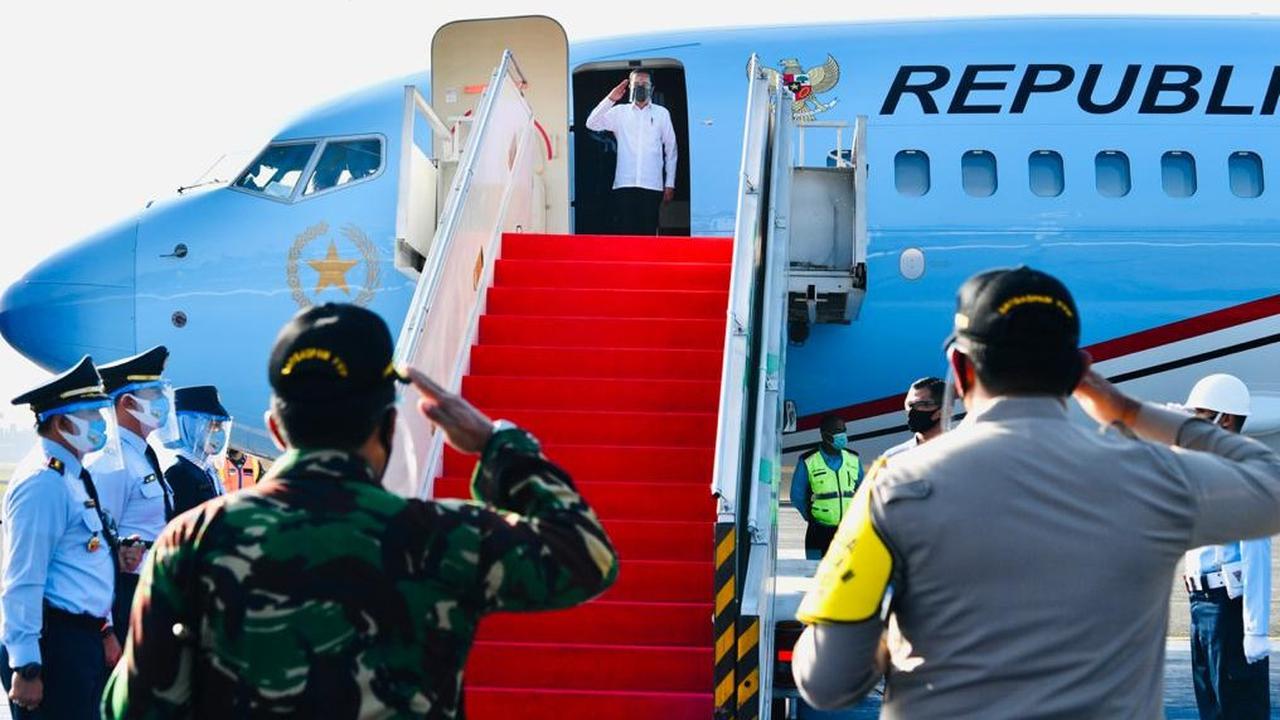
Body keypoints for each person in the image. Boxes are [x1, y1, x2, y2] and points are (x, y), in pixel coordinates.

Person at [791, 266, 1280, 717]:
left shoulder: (893, 488)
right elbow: (1270, 484)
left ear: (959, 372)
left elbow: (827, 682)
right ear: (1077, 373)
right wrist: (1131, 412)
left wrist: (895, 636)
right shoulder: (1148, 478)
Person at [103, 303, 619, 718]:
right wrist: (498, 444)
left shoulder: (192, 541)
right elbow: (585, 555)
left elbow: (135, 707)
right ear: (389, 429)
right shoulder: (440, 537)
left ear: (277, 430)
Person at [0, 357, 123, 718]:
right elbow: (23, 578)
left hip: (79, 640)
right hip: (52, 645)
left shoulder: (72, 476)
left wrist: (104, 630)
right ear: (60, 422)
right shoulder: (44, 483)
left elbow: (82, 569)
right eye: (90, 415)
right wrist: (26, 667)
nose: (100, 424)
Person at [1179, 373, 1271, 719]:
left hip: (1228, 610)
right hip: (1201, 607)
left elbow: (1256, 554)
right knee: (1213, 709)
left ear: (1226, 419)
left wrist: (1256, 630)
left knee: (1238, 708)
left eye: (1201, 415)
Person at [89, 345, 175, 644]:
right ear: (126, 402)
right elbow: (95, 547)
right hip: (123, 595)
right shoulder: (112, 463)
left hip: (149, 589)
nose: (163, 402)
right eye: (154, 395)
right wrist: (105, 629)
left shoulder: (142, 454)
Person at [584, 69, 678, 236]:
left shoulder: (662, 114)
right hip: (624, 184)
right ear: (630, 87)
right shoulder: (619, 112)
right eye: (636, 84)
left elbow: (671, 149)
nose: (640, 87)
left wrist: (669, 183)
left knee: (649, 231)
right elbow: (591, 123)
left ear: (652, 88)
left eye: (644, 84)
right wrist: (610, 99)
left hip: (652, 184)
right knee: (626, 232)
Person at [790, 414, 861, 560]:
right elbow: (797, 496)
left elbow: (864, 492)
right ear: (825, 435)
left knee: (848, 577)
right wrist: (811, 517)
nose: (842, 435)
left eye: (843, 430)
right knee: (816, 575)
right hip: (818, 532)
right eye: (836, 431)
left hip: (848, 532)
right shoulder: (808, 460)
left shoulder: (853, 459)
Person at [163, 386, 231, 516]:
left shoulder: (207, 469)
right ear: (189, 425)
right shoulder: (178, 473)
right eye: (212, 425)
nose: (220, 433)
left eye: (221, 426)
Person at [881, 376, 947, 460]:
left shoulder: (961, 452)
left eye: (921, 404)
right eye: (909, 405)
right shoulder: (892, 457)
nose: (911, 411)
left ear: (943, 410)